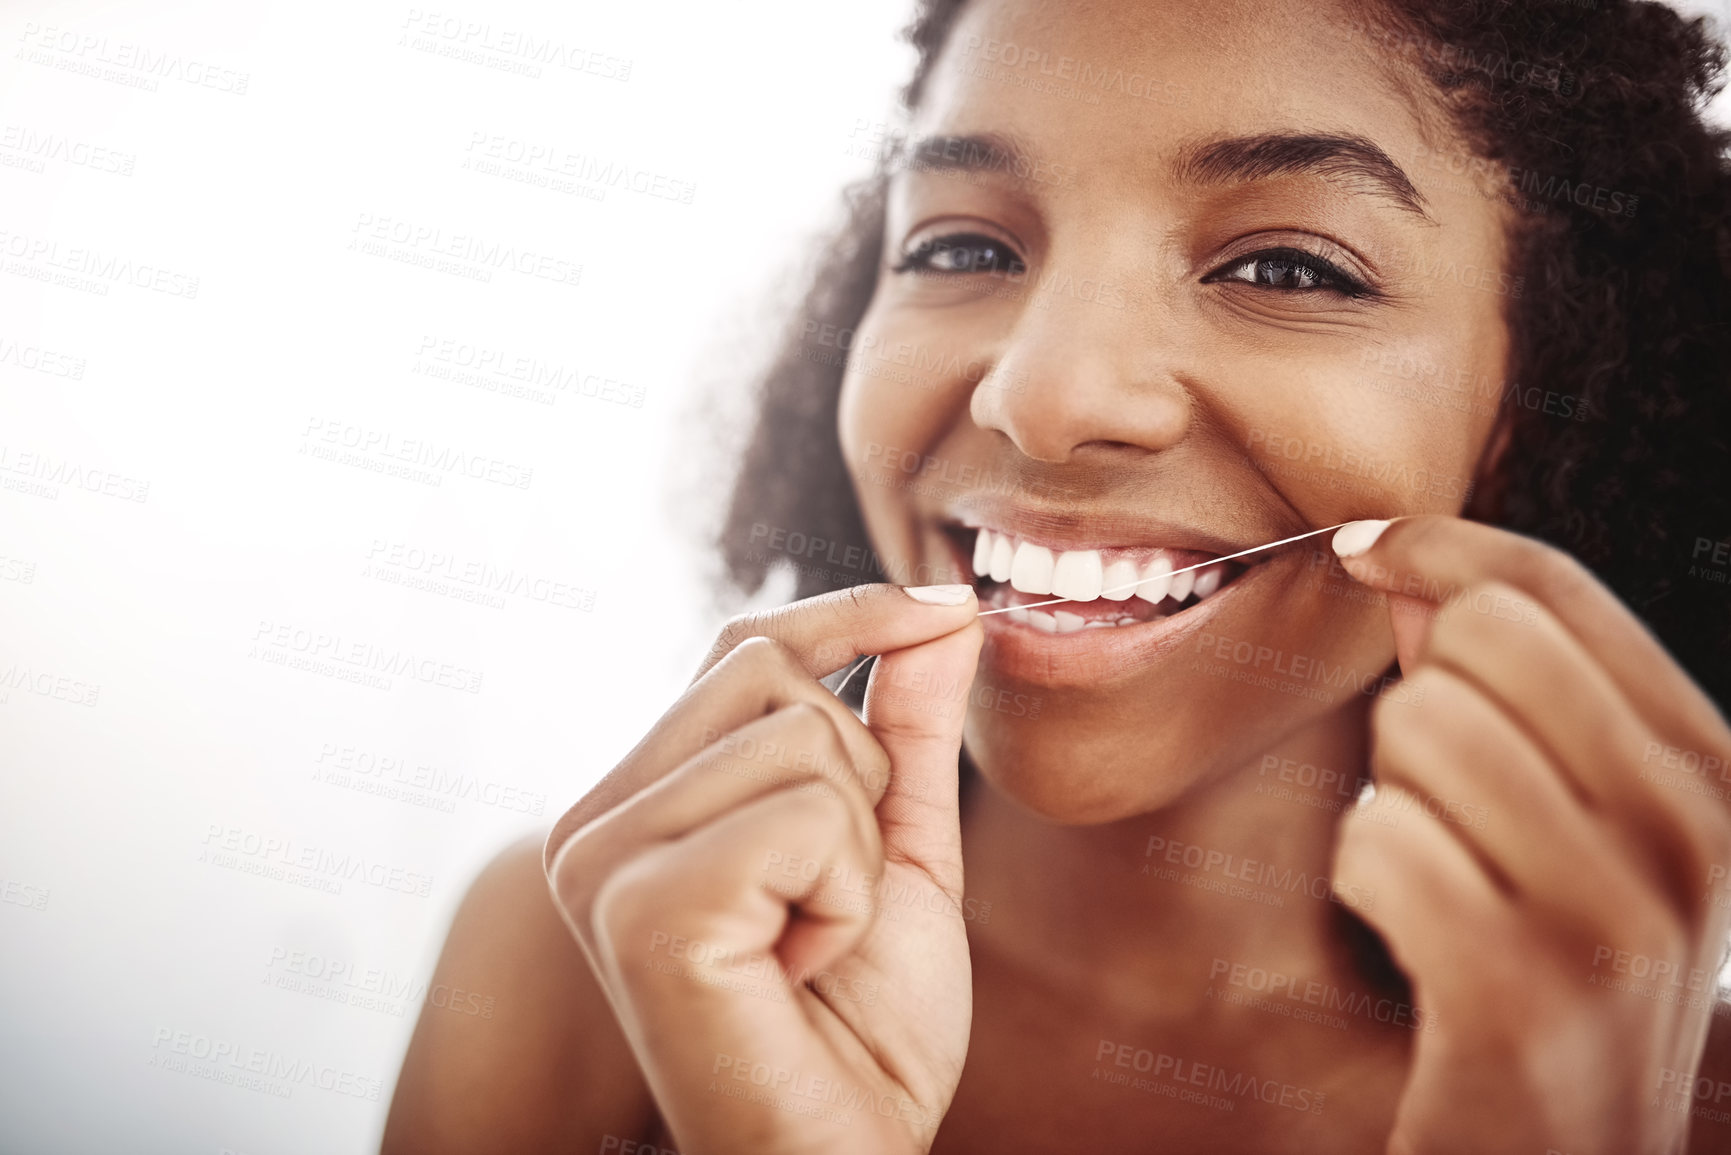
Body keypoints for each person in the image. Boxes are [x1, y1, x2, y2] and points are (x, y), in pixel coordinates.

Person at [383, 0, 1731, 1150]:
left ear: (1545, 406)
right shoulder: (597, 947)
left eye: (1283, 264)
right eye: (964, 247)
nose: (1043, 394)